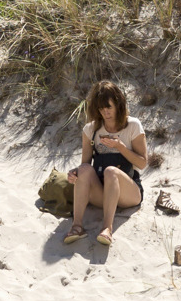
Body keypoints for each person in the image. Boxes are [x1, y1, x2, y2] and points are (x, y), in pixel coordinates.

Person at [62, 79, 148, 249]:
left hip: (128, 193)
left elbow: (143, 163)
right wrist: (74, 173)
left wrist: (120, 147)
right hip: (102, 192)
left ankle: (107, 228)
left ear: (118, 104)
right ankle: (77, 226)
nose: (105, 112)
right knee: (85, 169)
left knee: (111, 171)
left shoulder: (132, 126)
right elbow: (85, 164)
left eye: (108, 107)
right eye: (101, 108)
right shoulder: (91, 130)